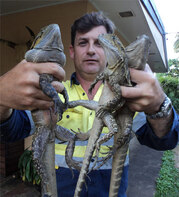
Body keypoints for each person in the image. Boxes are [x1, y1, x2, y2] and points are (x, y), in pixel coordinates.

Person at [0, 12, 178, 197]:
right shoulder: (53, 91)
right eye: (83, 43)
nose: (91, 50)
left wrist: (160, 106)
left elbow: (164, 141)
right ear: (71, 50)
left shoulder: (130, 96)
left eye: (99, 42)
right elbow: (11, 131)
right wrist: (2, 96)